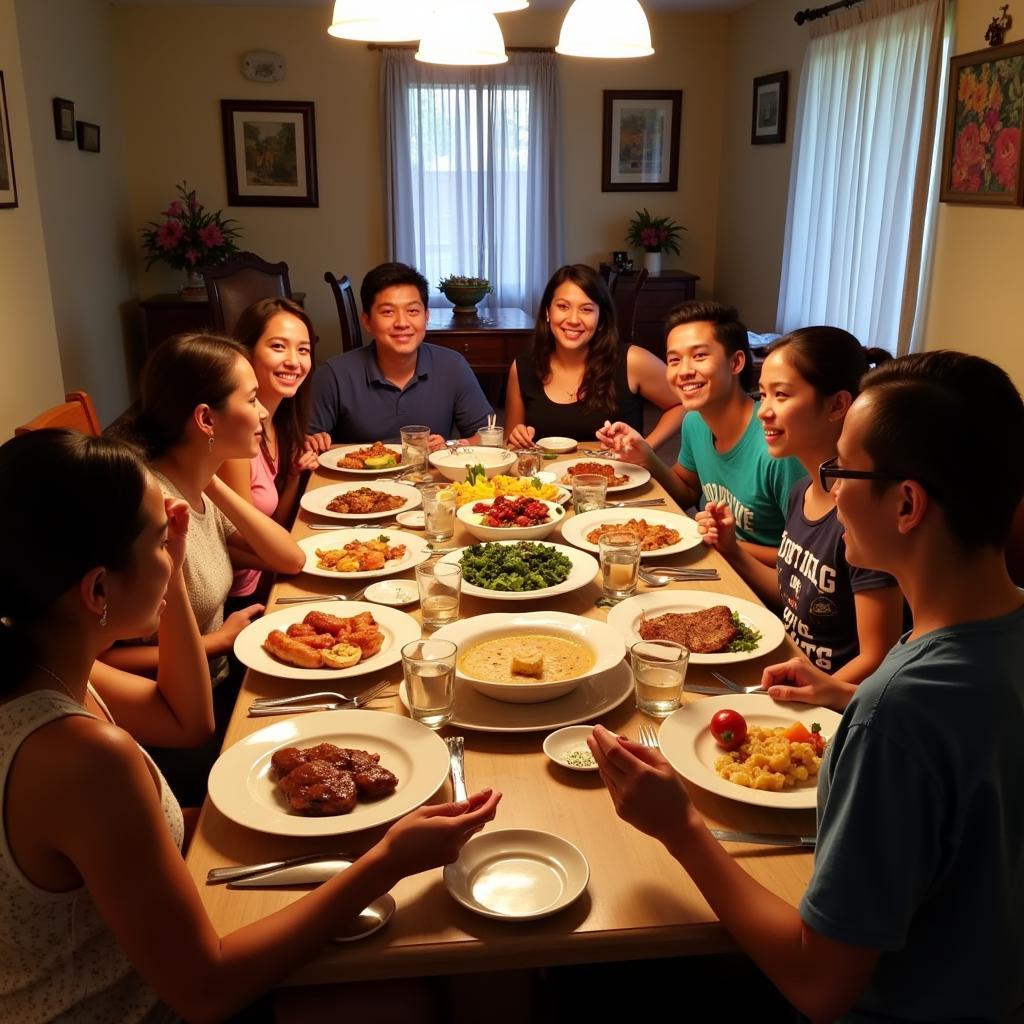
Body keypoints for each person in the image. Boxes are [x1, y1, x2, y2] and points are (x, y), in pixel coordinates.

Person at [0, 429, 501, 1023]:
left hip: (158, 951)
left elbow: (186, 722)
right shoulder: (83, 757)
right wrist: (388, 860)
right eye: (160, 541)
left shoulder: (42, 671)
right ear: (98, 589)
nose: (173, 554)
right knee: (461, 962)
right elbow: (206, 990)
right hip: (142, 1007)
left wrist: (170, 571)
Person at [589, 350, 1024, 1023]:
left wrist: (679, 828)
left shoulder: (898, 712)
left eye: (841, 469)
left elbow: (819, 984)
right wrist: (841, 696)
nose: (828, 486)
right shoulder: (982, 641)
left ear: (907, 503)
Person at [695, 327, 903, 687]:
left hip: (829, 701)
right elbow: (793, 597)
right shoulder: (801, 491)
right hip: (789, 664)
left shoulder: (860, 514)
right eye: (762, 394)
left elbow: (878, 657)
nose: (764, 411)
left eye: (782, 395)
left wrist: (816, 691)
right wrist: (730, 548)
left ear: (838, 405)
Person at [598, 300, 805, 565]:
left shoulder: (777, 445)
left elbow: (807, 561)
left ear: (736, 362)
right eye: (674, 360)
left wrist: (727, 545)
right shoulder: (695, 422)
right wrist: (646, 456)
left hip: (762, 585)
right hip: (715, 559)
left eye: (699, 356)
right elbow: (686, 492)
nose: (684, 371)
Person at [309, 262, 493, 450]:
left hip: (428, 478)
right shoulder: (333, 375)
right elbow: (305, 445)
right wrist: (313, 443)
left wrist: (449, 446)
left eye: (412, 311)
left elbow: (487, 436)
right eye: (388, 312)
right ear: (367, 322)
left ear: (426, 317)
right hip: (356, 479)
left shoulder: (452, 366)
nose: (402, 323)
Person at [504, 264, 682, 449]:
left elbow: (683, 404)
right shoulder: (523, 368)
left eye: (586, 309)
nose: (573, 320)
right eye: (563, 307)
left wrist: (646, 448)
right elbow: (511, 444)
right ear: (547, 312)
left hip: (619, 476)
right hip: (548, 477)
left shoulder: (632, 361)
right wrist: (517, 438)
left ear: (601, 319)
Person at [220, 297, 323, 603]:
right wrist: (297, 562)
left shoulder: (276, 424)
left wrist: (293, 477)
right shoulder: (236, 437)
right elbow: (240, 540)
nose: (294, 361)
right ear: (246, 352)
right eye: (278, 346)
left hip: (268, 579)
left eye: (303, 350)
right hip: (240, 598)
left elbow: (270, 526)